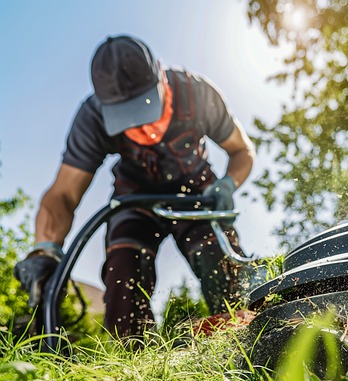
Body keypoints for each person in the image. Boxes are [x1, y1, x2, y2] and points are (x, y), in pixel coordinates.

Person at [14, 35, 255, 339]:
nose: (145, 131)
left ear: (161, 77)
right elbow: (63, 193)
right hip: (134, 199)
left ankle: (250, 341)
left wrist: (228, 184)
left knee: (225, 269)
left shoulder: (198, 94)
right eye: (129, 120)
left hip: (197, 195)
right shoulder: (92, 118)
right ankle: (131, 364)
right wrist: (44, 250)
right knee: (122, 280)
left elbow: (242, 151)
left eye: (147, 111)